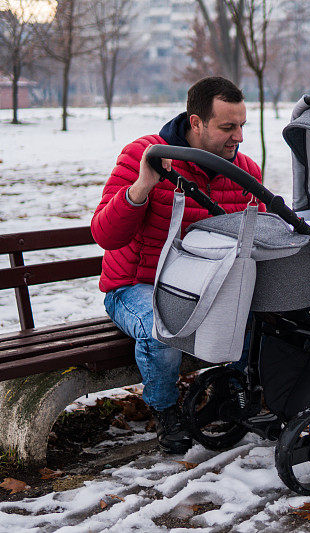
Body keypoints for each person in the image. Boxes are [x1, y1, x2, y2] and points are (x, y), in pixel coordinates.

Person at [91, 77, 263, 454]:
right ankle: (165, 410)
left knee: (254, 313)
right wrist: (142, 186)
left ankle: (228, 394)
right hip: (136, 286)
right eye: (227, 127)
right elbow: (105, 235)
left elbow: (259, 232)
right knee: (160, 328)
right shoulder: (146, 153)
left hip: (205, 285)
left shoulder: (245, 169)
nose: (239, 137)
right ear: (196, 122)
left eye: (241, 126)